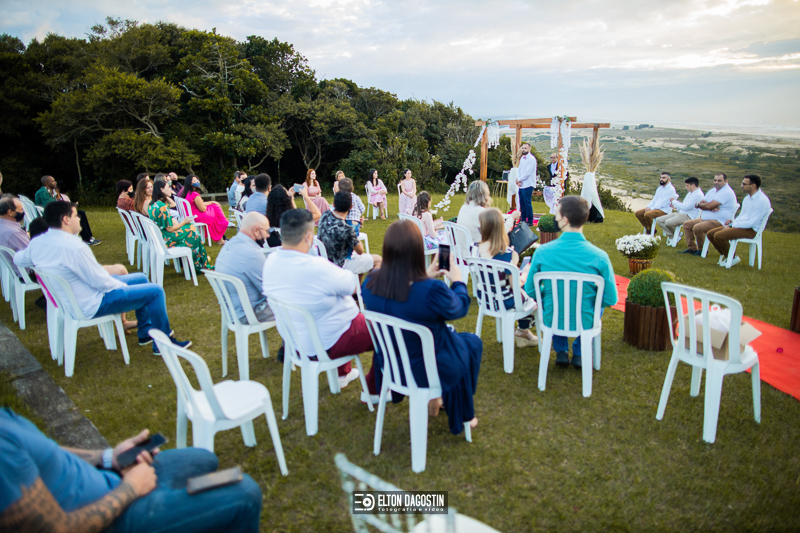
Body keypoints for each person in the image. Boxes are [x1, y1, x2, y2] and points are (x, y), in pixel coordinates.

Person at [0, 408, 263, 532]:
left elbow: (47, 451)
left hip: (110, 481)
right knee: (245, 494)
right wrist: (131, 489)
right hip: (113, 518)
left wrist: (108, 457)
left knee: (202, 459)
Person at [14, 201, 190, 355]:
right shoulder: (74, 247)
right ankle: (164, 343)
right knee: (155, 291)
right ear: (66, 219)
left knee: (141, 278)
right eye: (75, 215)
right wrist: (125, 287)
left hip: (74, 299)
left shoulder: (38, 242)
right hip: (92, 302)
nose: (79, 218)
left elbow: (18, 259)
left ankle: (145, 333)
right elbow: (101, 282)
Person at [362, 219, 481, 434]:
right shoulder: (430, 291)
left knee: (460, 342)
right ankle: (463, 412)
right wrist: (458, 281)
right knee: (471, 343)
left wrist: (425, 275)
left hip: (392, 365)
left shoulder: (370, 283)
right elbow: (459, 308)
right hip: (426, 368)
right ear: (417, 251)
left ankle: (439, 400)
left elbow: (403, 297)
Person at [262, 209, 371, 388]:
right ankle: (375, 387)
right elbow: (352, 285)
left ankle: (342, 374)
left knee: (331, 307)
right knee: (387, 332)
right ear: (308, 237)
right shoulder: (316, 267)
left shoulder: (270, 262)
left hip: (296, 341)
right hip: (328, 342)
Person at [524, 196, 617, 368]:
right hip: (585, 320)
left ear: (565, 220)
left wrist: (546, 293)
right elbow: (611, 298)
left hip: (552, 318)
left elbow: (530, 290)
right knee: (595, 304)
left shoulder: (543, 252)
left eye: (557, 214)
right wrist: (592, 300)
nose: (555, 217)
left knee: (554, 299)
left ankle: (561, 350)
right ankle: (579, 352)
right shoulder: (600, 256)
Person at [470, 208, 537, 347]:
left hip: (486, 297)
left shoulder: (475, 249)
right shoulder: (507, 254)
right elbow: (516, 285)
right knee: (533, 294)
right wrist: (525, 272)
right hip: (505, 300)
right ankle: (523, 329)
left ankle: (523, 332)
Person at [706, 174, 771, 267]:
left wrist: (732, 225)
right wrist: (733, 222)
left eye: (744, 184)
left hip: (752, 230)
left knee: (719, 236)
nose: (741, 186)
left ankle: (732, 258)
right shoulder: (747, 198)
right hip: (742, 226)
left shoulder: (761, 201)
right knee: (710, 234)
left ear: (753, 186)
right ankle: (728, 256)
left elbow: (752, 223)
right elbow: (742, 216)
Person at [148, 179, 212, 272]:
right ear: (162, 190)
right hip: (167, 239)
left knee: (191, 228)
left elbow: (172, 205)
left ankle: (197, 261)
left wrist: (166, 196)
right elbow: (170, 229)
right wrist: (184, 222)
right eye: (168, 187)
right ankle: (199, 264)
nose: (170, 189)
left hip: (160, 236)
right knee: (193, 232)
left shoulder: (153, 204)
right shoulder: (162, 207)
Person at [318, 192, 382, 275]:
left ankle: (356, 283)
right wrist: (356, 228)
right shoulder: (347, 229)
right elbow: (360, 251)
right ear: (351, 206)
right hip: (340, 264)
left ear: (333, 204)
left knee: (361, 261)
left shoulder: (325, 215)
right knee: (378, 260)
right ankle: (368, 284)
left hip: (324, 260)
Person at [680, 173, 738, 256]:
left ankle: (701, 250)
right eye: (715, 180)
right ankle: (691, 248)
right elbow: (703, 202)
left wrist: (704, 206)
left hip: (719, 221)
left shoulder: (726, 192)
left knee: (698, 227)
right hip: (706, 219)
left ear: (726, 181)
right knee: (687, 224)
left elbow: (706, 205)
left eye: (719, 180)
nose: (716, 182)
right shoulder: (713, 191)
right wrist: (708, 206)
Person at [35, 175, 101, 246]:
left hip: (55, 213)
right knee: (77, 215)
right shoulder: (43, 193)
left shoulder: (49, 192)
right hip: (50, 216)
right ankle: (87, 239)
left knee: (81, 212)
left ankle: (89, 237)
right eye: (53, 181)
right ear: (46, 183)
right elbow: (49, 206)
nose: (55, 182)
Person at [180, 175, 229, 245]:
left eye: (197, 180)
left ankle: (220, 236)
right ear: (189, 183)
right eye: (194, 180)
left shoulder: (187, 193)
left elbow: (199, 204)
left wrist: (212, 202)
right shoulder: (194, 194)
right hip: (196, 217)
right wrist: (209, 206)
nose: (197, 181)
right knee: (215, 210)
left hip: (190, 215)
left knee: (214, 207)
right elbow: (202, 209)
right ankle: (223, 224)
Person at [516, 143, 538, 225]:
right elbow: (519, 170)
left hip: (528, 184)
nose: (523, 149)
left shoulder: (531, 159)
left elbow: (528, 172)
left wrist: (519, 179)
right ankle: (523, 219)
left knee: (527, 202)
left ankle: (530, 220)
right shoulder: (522, 158)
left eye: (525, 148)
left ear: (529, 149)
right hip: (521, 184)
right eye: (523, 148)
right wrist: (518, 179)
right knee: (522, 202)